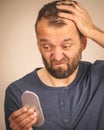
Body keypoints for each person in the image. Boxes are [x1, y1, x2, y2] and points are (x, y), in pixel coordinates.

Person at [4, 0, 104, 130]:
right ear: (38, 45)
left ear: (83, 43)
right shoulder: (17, 92)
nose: (57, 57)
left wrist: (92, 30)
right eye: (47, 46)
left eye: (66, 46)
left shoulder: (100, 75)